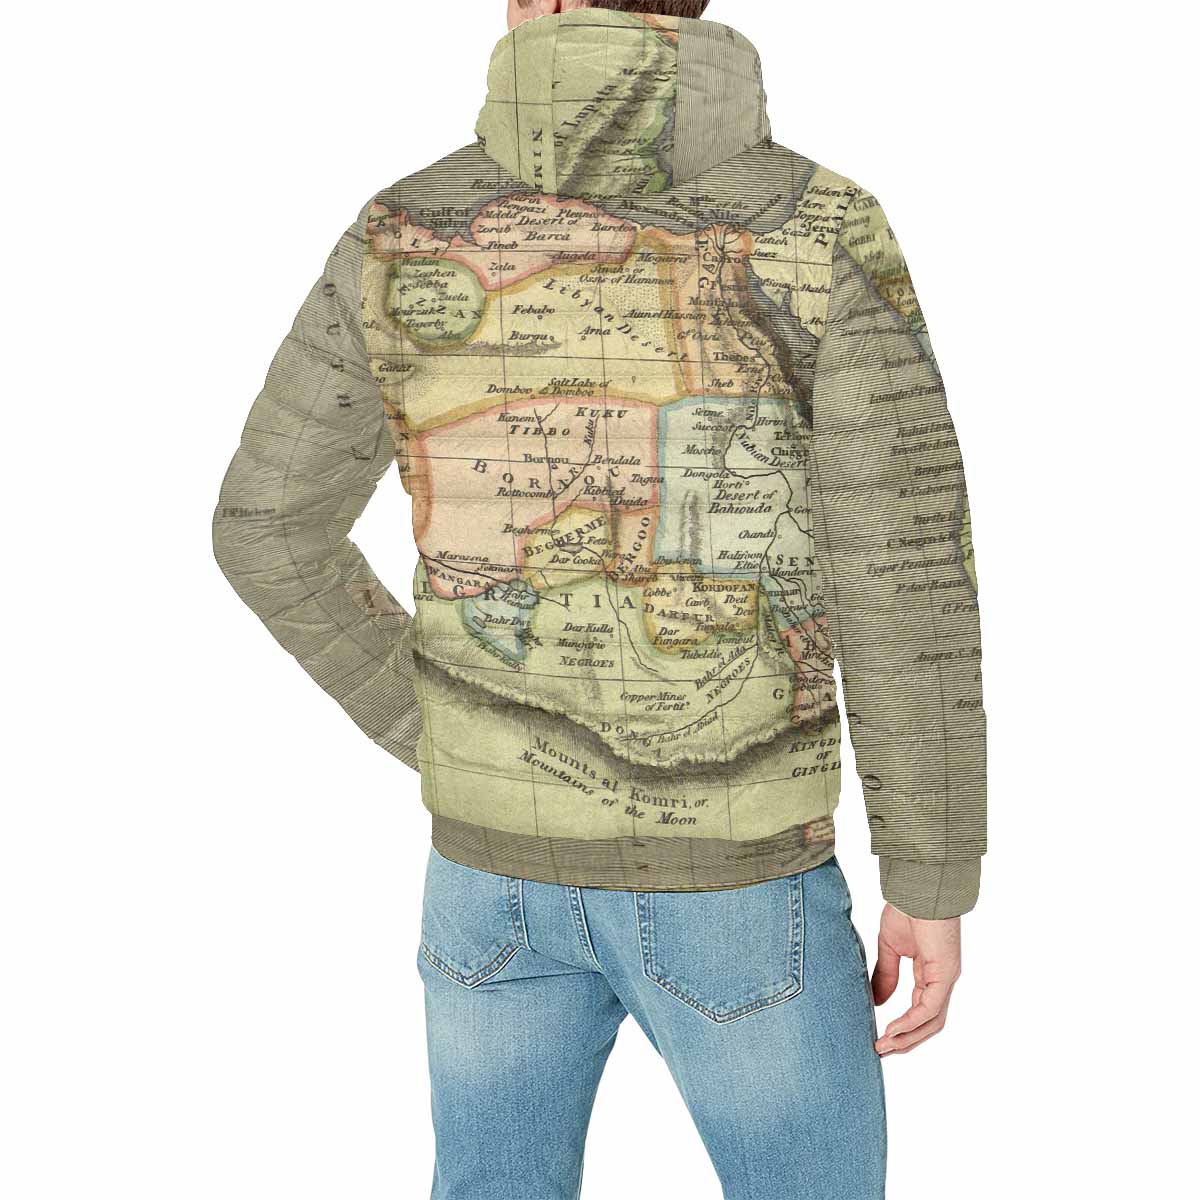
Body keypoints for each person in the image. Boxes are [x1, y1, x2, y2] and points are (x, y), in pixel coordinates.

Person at [212, 0, 986, 1194]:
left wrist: (467, 731)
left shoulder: (401, 229)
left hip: (490, 882)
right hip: (740, 881)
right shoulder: (821, 223)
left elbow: (267, 527)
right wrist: (930, 878)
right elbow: (907, 573)